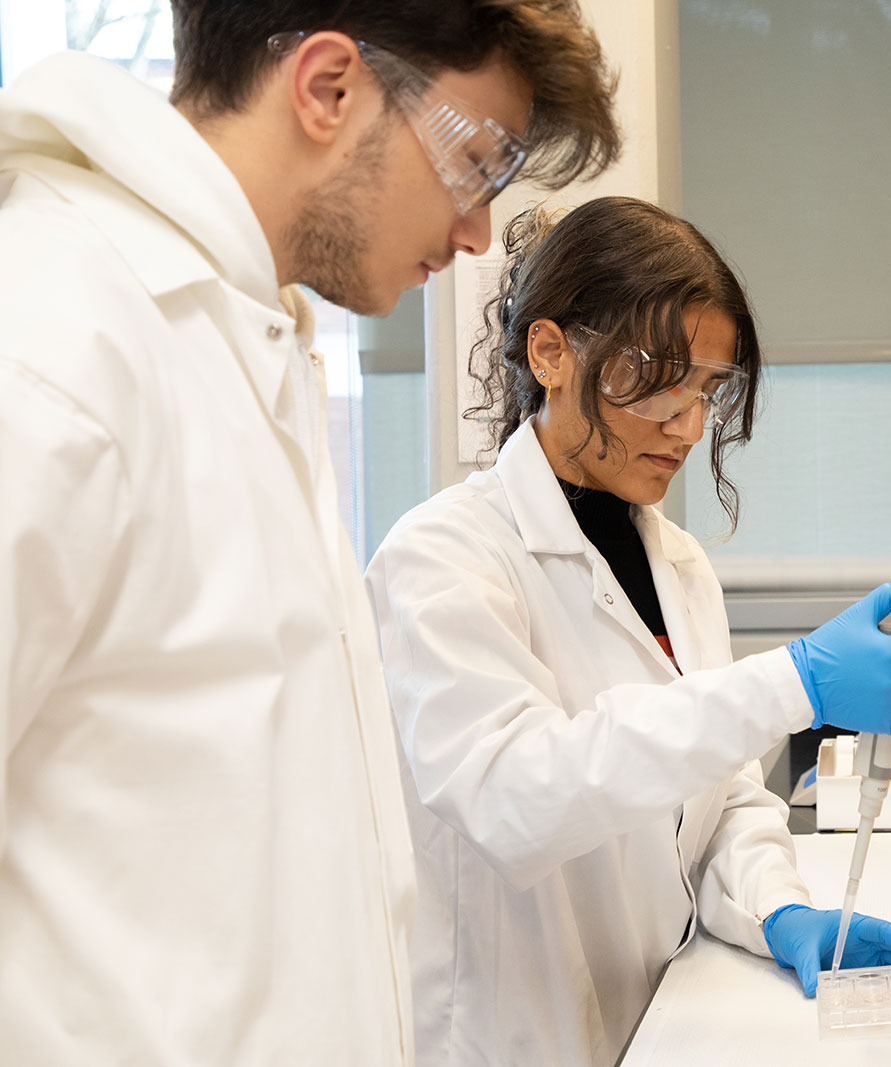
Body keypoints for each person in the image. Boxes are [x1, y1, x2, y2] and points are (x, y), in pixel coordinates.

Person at [0, 3, 619, 1065]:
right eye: (477, 161)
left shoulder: (243, 333)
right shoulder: (55, 337)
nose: (478, 232)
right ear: (328, 88)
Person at [364, 196, 891, 1067]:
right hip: (511, 1039)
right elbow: (516, 798)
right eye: (659, 376)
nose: (688, 422)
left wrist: (777, 904)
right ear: (552, 351)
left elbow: (713, 806)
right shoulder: (443, 556)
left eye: (709, 388)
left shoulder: (676, 562)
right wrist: (793, 682)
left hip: (663, 1022)